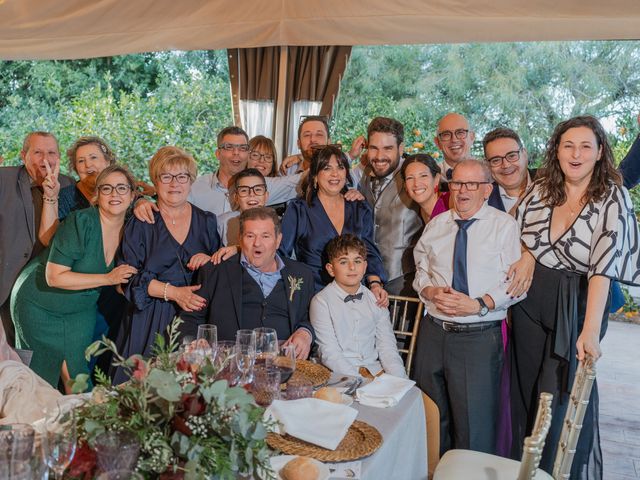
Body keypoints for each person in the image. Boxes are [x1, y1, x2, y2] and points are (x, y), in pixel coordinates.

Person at [509, 116, 640, 478]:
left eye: (585, 146)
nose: (576, 154)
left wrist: (590, 331)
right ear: (557, 150)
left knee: (558, 399)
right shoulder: (541, 188)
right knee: (525, 394)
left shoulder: (613, 196)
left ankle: (552, 473)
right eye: (568, 145)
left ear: (600, 153)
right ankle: (523, 470)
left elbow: (603, 268)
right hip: (528, 303)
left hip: (578, 303)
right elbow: (519, 230)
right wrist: (527, 255)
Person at [412, 159, 524, 455]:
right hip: (432, 335)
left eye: (471, 184)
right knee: (430, 419)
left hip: (477, 338)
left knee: (474, 428)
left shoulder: (504, 227)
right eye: (457, 183)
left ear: (487, 189)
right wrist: (430, 290)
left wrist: (478, 304)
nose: (462, 190)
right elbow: (420, 269)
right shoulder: (437, 225)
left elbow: (517, 286)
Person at [10, 165, 138, 388]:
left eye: (121, 188)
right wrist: (108, 278)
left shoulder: (131, 230)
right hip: (38, 302)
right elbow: (55, 277)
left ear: (132, 194)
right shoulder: (81, 222)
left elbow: (123, 282)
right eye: (106, 189)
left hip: (80, 308)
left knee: (78, 380)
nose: (114, 194)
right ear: (97, 196)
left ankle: (78, 422)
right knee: (40, 381)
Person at [113, 146, 221, 383]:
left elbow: (220, 274)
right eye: (166, 176)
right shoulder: (141, 222)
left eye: (182, 176)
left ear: (191, 181)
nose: (175, 184)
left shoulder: (207, 221)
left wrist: (210, 261)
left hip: (194, 319)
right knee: (141, 398)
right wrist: (173, 293)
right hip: (149, 319)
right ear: (155, 180)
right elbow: (126, 280)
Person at [179, 207, 315, 359]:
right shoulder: (215, 271)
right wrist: (196, 341)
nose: (257, 243)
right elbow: (189, 319)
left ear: (278, 240)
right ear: (240, 238)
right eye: (250, 236)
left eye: (266, 236)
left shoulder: (302, 273)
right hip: (230, 366)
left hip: (285, 365)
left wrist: (306, 332)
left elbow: (310, 317)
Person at [279, 145, 388, 304]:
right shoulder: (299, 209)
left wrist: (375, 284)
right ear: (315, 175)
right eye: (327, 168)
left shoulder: (359, 207)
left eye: (340, 167)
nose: (335, 174)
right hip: (313, 296)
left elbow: (369, 251)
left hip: (355, 296)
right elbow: (281, 253)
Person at [0, 132, 74, 347]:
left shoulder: (69, 185)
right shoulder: (4, 179)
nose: (45, 159)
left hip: (45, 287)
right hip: (6, 282)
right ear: (24, 156)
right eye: (38, 152)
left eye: (51, 153)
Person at [133, 127, 301, 220]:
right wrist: (140, 201)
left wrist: (302, 156)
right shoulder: (196, 186)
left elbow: (306, 178)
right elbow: (171, 202)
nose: (236, 153)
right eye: (229, 148)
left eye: (242, 148)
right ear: (218, 154)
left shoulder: (263, 185)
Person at [310, 234, 406, 378]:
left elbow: (387, 347)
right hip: (337, 374)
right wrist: (359, 380)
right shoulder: (321, 301)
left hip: (374, 370)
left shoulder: (375, 299)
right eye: (343, 262)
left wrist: (400, 380)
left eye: (357, 261)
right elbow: (329, 352)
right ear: (331, 269)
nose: (352, 267)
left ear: (365, 266)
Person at [357, 117, 423, 296]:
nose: (379, 156)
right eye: (374, 148)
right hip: (363, 278)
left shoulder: (416, 176)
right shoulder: (362, 174)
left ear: (401, 149)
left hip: (403, 281)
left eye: (388, 148)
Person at [39, 136, 116, 246]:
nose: (88, 165)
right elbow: (48, 240)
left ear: (108, 161)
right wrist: (50, 196)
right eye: (81, 161)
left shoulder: (122, 192)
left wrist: (140, 201)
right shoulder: (66, 196)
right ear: (75, 168)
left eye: (93, 157)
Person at [216, 168, 269, 247]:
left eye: (258, 189)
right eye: (244, 190)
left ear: (266, 196)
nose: (251, 194)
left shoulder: (276, 224)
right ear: (236, 198)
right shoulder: (222, 223)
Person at [400, 153, 451, 224]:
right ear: (405, 185)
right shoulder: (420, 212)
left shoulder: (451, 201)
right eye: (410, 178)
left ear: (436, 179)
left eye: (423, 176)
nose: (416, 184)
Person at [434, 113, 476, 180]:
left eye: (460, 133)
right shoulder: (431, 177)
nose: (454, 140)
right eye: (446, 134)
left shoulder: (490, 173)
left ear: (472, 137)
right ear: (437, 142)